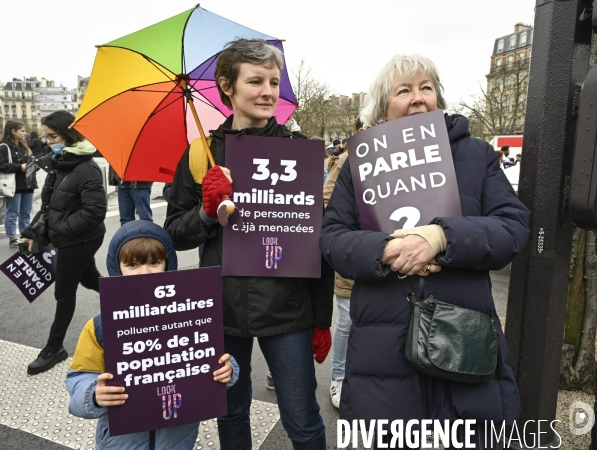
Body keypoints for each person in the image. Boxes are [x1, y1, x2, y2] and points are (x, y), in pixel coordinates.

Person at [320, 55, 530, 449]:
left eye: (426, 88)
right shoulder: (356, 166)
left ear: (438, 97)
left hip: (463, 340)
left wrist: (440, 238)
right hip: (383, 354)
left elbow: (513, 228)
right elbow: (332, 238)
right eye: (404, 91)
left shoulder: (477, 155)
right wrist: (385, 250)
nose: (418, 99)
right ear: (383, 107)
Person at [165, 38, 333, 450]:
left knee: (303, 422)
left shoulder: (299, 151)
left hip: (287, 312)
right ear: (227, 86)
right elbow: (173, 232)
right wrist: (207, 211)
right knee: (231, 415)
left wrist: (321, 317)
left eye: (274, 82)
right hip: (220, 311)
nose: (268, 92)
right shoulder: (199, 155)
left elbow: (316, 238)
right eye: (255, 81)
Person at [65, 220, 239, 449]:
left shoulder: (191, 317)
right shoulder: (100, 326)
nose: (144, 273)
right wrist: (94, 394)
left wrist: (229, 370)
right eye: (132, 265)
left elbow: (211, 358)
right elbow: (78, 376)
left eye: (154, 262)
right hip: (121, 441)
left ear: (168, 265)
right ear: (117, 268)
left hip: (177, 438)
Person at [21, 110, 107, 375]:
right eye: (46, 136)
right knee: (89, 278)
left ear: (69, 134)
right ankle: (125, 297)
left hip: (80, 239)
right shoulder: (62, 161)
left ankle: (54, 348)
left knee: (64, 293)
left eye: (52, 136)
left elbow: (95, 211)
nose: (47, 141)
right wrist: (30, 231)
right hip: (72, 236)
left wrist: (59, 231)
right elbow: (50, 206)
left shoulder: (86, 168)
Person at [322, 117, 363, 409]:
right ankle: (338, 377)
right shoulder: (347, 160)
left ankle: (361, 377)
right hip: (353, 256)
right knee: (347, 320)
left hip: (386, 259)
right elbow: (326, 201)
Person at [0, 121, 38, 248]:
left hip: (27, 183)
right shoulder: (4, 146)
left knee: (26, 213)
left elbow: (27, 164)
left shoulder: (23, 145)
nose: (25, 133)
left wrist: (34, 166)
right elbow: (0, 165)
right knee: (13, 212)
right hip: (13, 184)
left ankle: (25, 237)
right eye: (22, 131)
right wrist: (20, 167)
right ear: (13, 131)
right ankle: (12, 238)